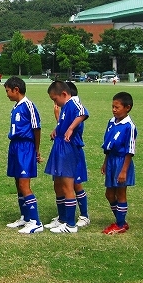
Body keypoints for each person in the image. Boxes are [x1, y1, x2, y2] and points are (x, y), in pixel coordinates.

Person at [44, 80, 89, 234]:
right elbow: (64, 124)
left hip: (69, 149)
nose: (55, 102)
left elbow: (83, 113)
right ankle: (63, 219)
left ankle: (71, 224)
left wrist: (70, 129)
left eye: (55, 99)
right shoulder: (65, 106)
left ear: (64, 94)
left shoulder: (73, 103)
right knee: (58, 184)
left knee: (68, 186)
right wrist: (57, 129)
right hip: (59, 146)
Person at [2, 76, 44, 234]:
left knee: (24, 185)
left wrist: (36, 149)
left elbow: (36, 128)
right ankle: (25, 217)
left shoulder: (29, 105)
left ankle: (35, 222)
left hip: (26, 147)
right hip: (15, 146)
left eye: (8, 91)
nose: (7, 94)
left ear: (16, 90)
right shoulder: (16, 106)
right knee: (18, 183)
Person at [101, 92, 137, 235]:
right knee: (109, 194)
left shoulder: (129, 126)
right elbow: (108, 144)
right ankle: (120, 221)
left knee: (120, 193)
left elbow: (130, 150)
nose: (114, 110)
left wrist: (124, 170)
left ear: (127, 108)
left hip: (122, 161)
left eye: (117, 107)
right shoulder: (111, 122)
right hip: (111, 160)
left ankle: (120, 224)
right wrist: (105, 162)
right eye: (113, 107)